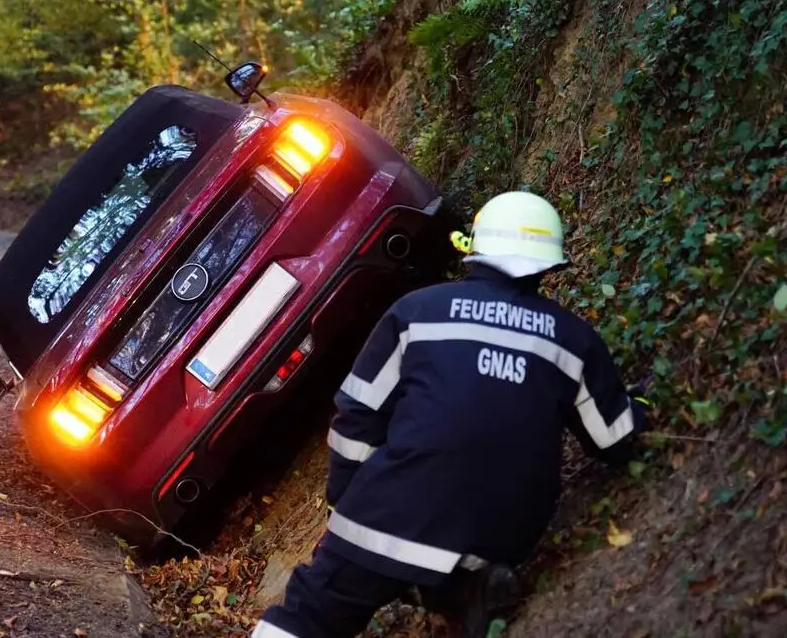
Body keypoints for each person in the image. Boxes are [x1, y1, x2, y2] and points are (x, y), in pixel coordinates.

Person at [252, 191, 652, 637]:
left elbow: (356, 415)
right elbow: (615, 440)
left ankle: (442, 586)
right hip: (503, 535)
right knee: (439, 549)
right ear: (547, 265)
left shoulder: (415, 314)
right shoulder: (573, 340)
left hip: (390, 517)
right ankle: (467, 588)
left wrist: (343, 502)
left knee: (310, 613)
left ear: (474, 250)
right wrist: (642, 405)